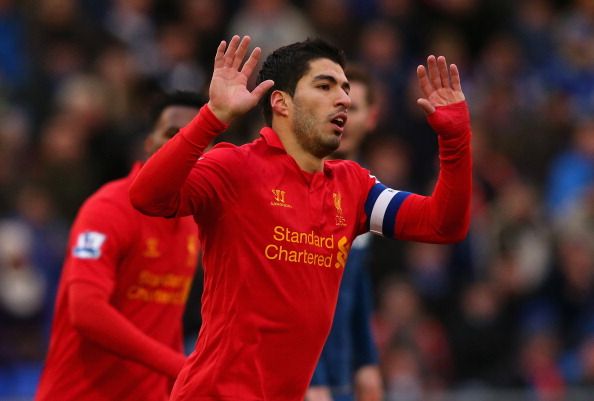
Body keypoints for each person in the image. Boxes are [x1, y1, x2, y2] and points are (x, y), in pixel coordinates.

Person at [130, 35, 472, 401]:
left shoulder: (353, 186)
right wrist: (211, 118)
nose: (343, 98)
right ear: (281, 103)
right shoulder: (235, 167)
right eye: (324, 86)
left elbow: (442, 224)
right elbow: (146, 196)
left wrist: (455, 140)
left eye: (344, 88)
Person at [35, 92, 205, 401]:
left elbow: (165, 322)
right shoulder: (107, 209)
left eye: (197, 138)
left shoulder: (192, 221)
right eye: (172, 134)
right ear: (149, 143)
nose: (184, 146)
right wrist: (180, 366)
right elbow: (86, 310)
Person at [306, 66, 383, 401]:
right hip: (304, 375)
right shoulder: (302, 186)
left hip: (340, 372)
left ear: (372, 118)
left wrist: (367, 362)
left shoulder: (366, 192)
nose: (344, 117)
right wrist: (312, 379)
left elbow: (355, 287)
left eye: (353, 108)